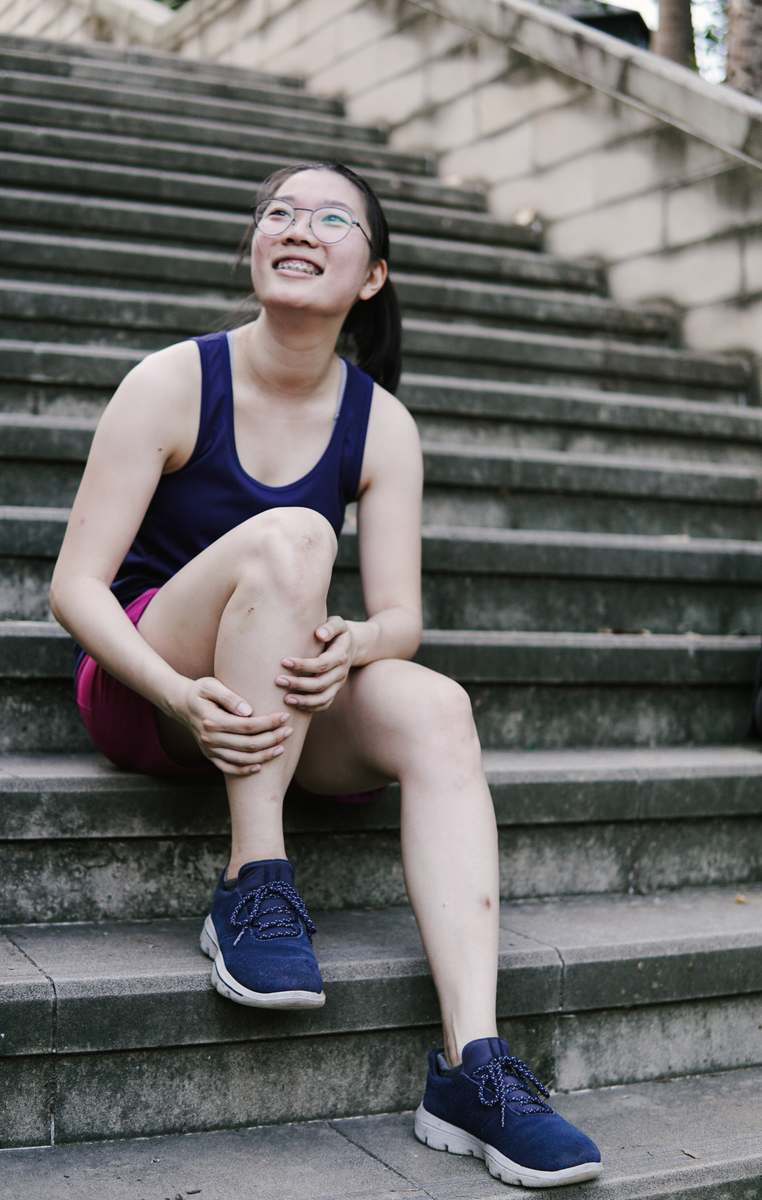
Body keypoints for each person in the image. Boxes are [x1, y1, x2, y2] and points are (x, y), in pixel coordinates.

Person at [50, 161, 602, 1188]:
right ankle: (251, 884)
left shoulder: (380, 423)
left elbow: (401, 615)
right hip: (150, 682)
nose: (298, 225)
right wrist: (177, 694)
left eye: (331, 217)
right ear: (254, 246)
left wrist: (357, 642)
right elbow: (74, 588)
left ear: (372, 275)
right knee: (295, 538)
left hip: (276, 685)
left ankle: (472, 1065)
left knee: (437, 704)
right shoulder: (173, 382)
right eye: (278, 212)